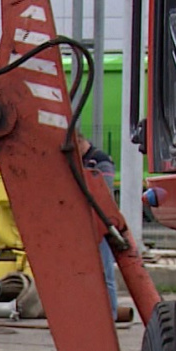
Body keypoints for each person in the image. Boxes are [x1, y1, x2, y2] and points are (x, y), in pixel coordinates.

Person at [77, 131, 118, 321]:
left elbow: (104, 192)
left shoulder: (100, 160)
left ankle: (111, 315)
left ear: (79, 141)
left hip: (101, 223)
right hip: (84, 224)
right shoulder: (81, 160)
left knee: (105, 271)